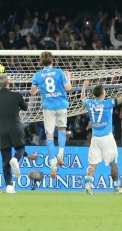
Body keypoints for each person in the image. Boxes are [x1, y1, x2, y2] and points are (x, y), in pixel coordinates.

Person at [81, 78, 122, 195]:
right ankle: (116, 188)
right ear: (104, 93)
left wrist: (84, 86)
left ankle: (88, 184)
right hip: (107, 138)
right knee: (113, 164)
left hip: (95, 139)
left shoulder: (89, 103)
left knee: (93, 164)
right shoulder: (108, 103)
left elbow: (82, 98)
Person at [30, 51, 72, 180]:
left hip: (48, 107)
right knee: (62, 130)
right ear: (52, 61)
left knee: (49, 135)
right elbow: (68, 88)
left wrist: (37, 88)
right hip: (61, 105)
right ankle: (61, 152)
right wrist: (68, 77)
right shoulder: (59, 72)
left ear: (41, 62)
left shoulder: (37, 75)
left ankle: (53, 162)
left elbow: (32, 92)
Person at [0, 73, 28, 194]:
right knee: (20, 148)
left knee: (5, 159)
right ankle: (16, 159)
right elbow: (25, 107)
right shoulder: (16, 96)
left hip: (2, 130)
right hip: (15, 127)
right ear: (8, 83)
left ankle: (9, 186)